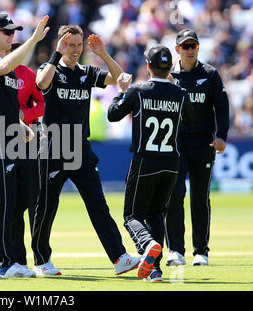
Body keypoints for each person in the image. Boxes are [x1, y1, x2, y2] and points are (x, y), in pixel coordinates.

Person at [32, 25, 140, 277]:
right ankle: (41, 260)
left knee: (97, 204)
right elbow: (40, 83)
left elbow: (121, 81)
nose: (75, 49)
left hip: (80, 146)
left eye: (78, 45)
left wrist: (103, 54)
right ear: (61, 45)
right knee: (47, 206)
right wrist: (55, 55)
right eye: (70, 45)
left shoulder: (86, 72)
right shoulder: (50, 68)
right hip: (53, 145)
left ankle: (119, 257)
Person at [107, 45, 195, 281]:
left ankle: (147, 245)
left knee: (131, 215)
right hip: (172, 162)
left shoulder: (138, 91)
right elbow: (191, 119)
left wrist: (121, 91)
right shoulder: (180, 93)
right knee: (156, 214)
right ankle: (154, 269)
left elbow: (113, 114)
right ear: (169, 69)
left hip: (145, 160)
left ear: (148, 66)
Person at [0, 12, 49, 278]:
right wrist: (33, 40)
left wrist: (19, 125)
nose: (11, 36)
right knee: (6, 202)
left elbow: (4, 107)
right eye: (6, 32)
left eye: (13, 32)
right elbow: (3, 68)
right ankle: (7, 262)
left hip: (11, 139)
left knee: (16, 202)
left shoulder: (6, 66)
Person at [165, 29, 230, 267]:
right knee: (174, 195)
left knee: (200, 198)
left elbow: (222, 107)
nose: (190, 50)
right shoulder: (168, 74)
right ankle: (174, 250)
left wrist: (221, 136)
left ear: (198, 48)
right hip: (176, 144)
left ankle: (201, 251)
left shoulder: (210, 74)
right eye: (186, 46)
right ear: (177, 49)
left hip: (203, 143)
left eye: (193, 45)